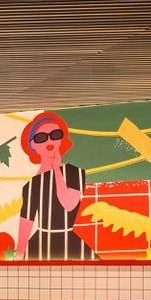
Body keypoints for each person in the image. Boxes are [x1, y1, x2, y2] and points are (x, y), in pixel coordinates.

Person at [16, 110, 90, 260]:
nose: (49, 141)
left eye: (55, 135)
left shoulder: (74, 172)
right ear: (32, 145)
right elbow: (26, 221)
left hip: (70, 241)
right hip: (40, 242)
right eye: (41, 137)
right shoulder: (31, 185)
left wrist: (56, 168)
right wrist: (19, 254)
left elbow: (69, 204)